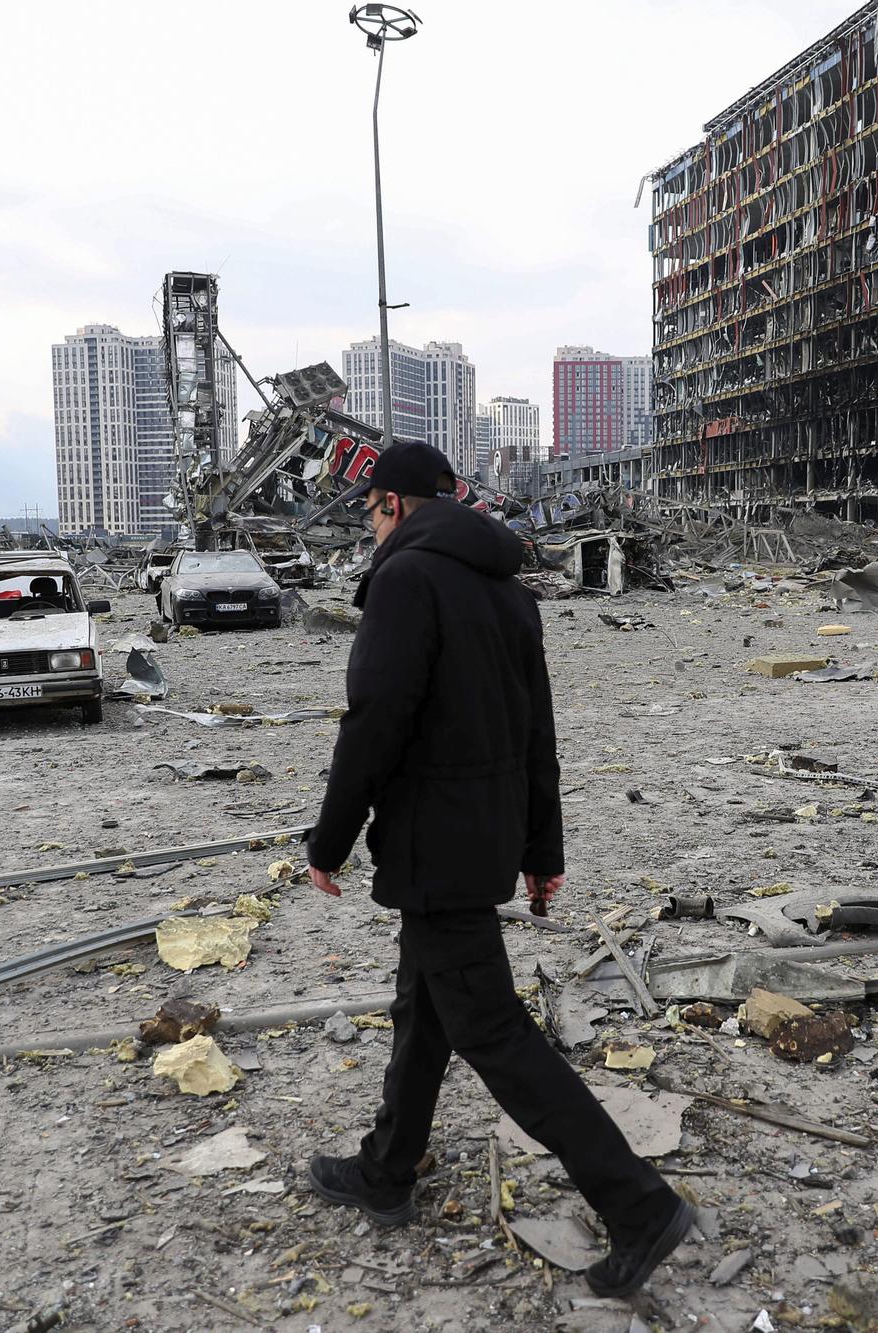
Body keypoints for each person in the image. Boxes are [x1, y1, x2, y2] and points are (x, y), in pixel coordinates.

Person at [303, 440, 693, 1299]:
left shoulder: (405, 582)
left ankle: (639, 1206)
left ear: (395, 505)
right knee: (425, 1008)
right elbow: (537, 735)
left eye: (371, 512)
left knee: (493, 1034)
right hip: (477, 843)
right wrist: (539, 853)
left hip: (432, 850)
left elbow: (373, 723)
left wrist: (329, 841)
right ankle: (387, 1168)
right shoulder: (509, 592)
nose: (371, 529)